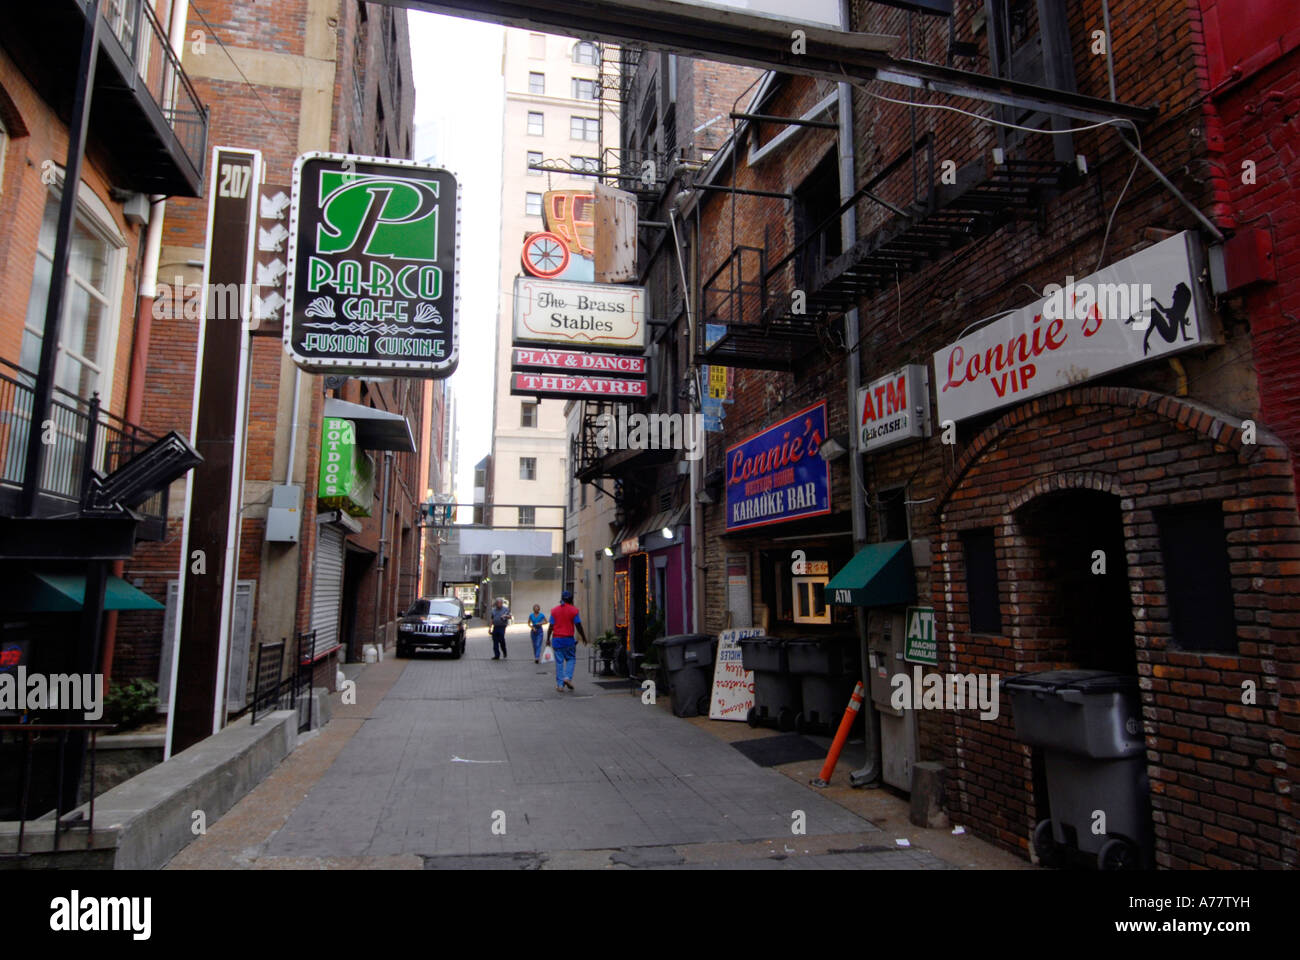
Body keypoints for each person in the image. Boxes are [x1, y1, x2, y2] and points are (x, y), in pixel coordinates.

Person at [545, 590, 588, 692]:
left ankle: (560, 685)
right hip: (568, 640)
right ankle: (567, 677)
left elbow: (551, 626)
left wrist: (547, 639)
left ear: (562, 599)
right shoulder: (574, 611)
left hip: (557, 640)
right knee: (571, 659)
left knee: (559, 662)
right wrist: (583, 637)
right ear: (571, 599)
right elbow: (578, 625)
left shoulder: (554, 611)